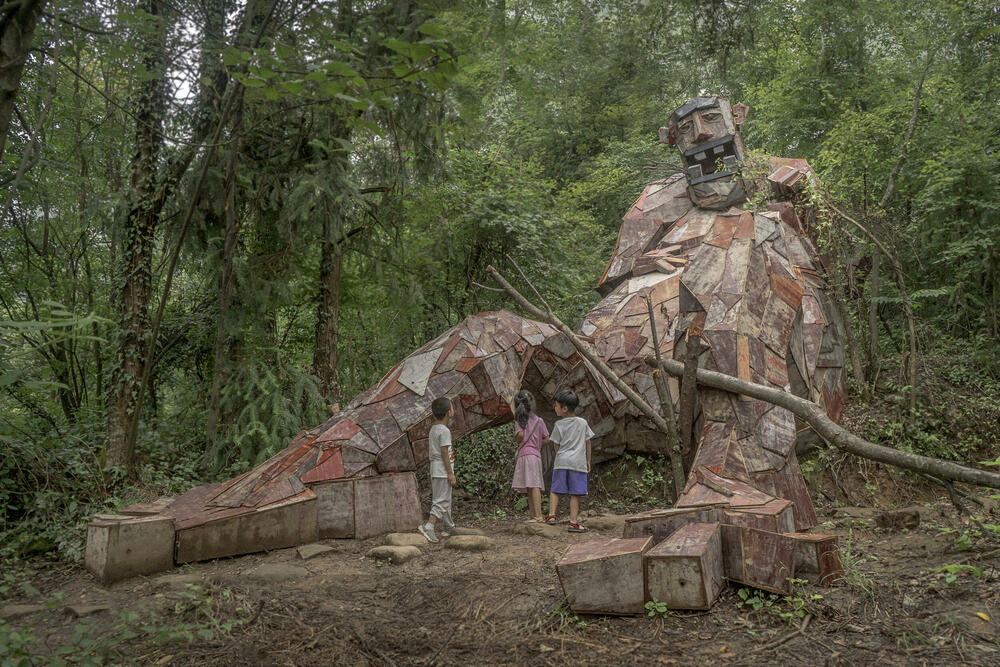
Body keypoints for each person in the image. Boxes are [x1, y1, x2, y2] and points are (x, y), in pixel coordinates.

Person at [545, 389, 593, 532]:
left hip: (561, 462)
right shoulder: (583, 423)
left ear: (564, 409)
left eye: (556, 405)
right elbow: (588, 442)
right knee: (575, 493)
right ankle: (573, 522)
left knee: (555, 489)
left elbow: (555, 444)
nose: (555, 408)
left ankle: (551, 516)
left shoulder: (559, 425)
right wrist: (588, 460)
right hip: (578, 463)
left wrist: (561, 456)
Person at [418, 397, 457, 543]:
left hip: (436, 469)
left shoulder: (434, 429)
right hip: (442, 470)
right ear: (449, 412)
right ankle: (429, 526)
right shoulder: (444, 431)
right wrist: (450, 473)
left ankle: (449, 527)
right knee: (442, 500)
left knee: (443, 499)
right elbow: (444, 452)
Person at [511, 390, 549, 523]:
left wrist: (520, 436)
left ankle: (538, 516)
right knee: (532, 485)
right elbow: (546, 439)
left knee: (532, 486)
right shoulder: (539, 420)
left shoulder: (519, 420)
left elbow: (520, 436)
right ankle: (534, 516)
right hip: (536, 455)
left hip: (525, 456)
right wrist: (537, 443)